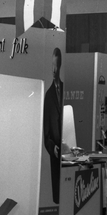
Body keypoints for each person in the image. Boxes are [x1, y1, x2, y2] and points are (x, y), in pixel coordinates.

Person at [43, 48, 63, 204]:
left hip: (68, 148)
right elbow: (46, 132)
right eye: (52, 66)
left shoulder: (65, 88)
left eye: (56, 66)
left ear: (60, 65)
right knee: (58, 197)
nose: (53, 70)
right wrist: (52, 147)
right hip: (56, 152)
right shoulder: (48, 96)